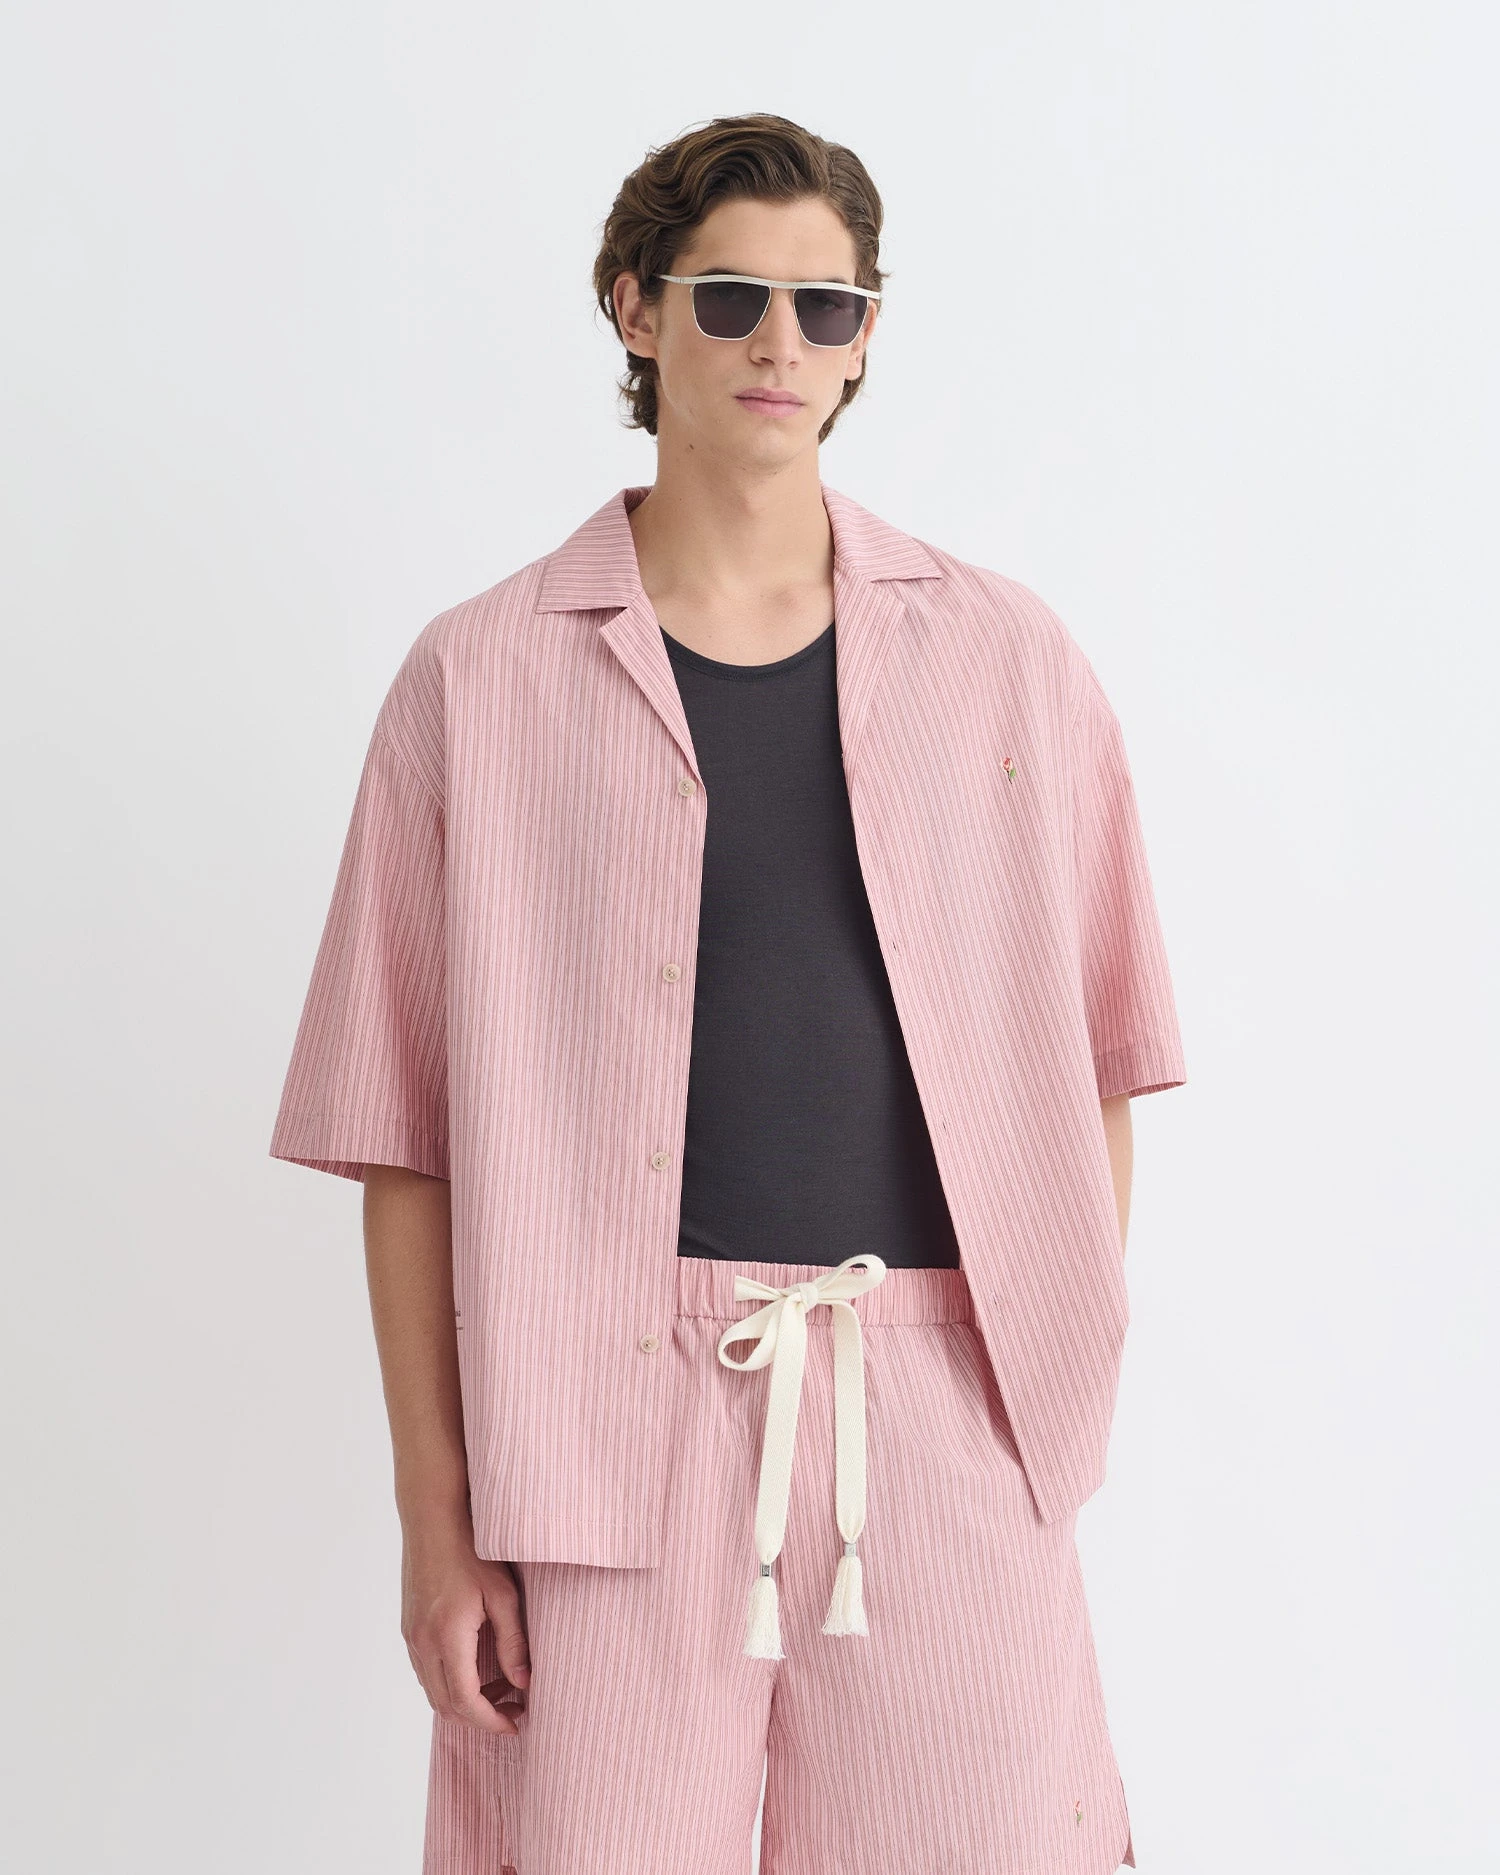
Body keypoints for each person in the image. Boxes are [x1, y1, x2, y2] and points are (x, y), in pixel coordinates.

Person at [269, 111, 1186, 1875]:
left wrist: (1037, 1391)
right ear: (635, 308)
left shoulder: (1008, 662)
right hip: (599, 1415)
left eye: (825, 306)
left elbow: (1098, 1064)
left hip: (948, 1395)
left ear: (865, 336)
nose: (781, 342)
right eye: (730, 296)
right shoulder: (479, 681)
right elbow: (405, 1139)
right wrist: (436, 1520)